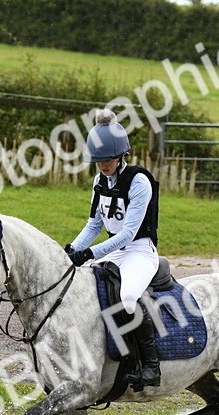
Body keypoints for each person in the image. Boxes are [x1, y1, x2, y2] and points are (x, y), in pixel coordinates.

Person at [64, 108, 162, 389]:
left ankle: (151, 367)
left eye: (108, 160)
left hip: (140, 250)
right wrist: (72, 249)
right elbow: (94, 224)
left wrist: (90, 254)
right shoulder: (99, 182)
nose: (103, 165)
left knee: (128, 296)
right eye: (98, 161)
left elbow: (129, 232)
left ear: (121, 156)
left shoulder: (139, 181)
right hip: (115, 250)